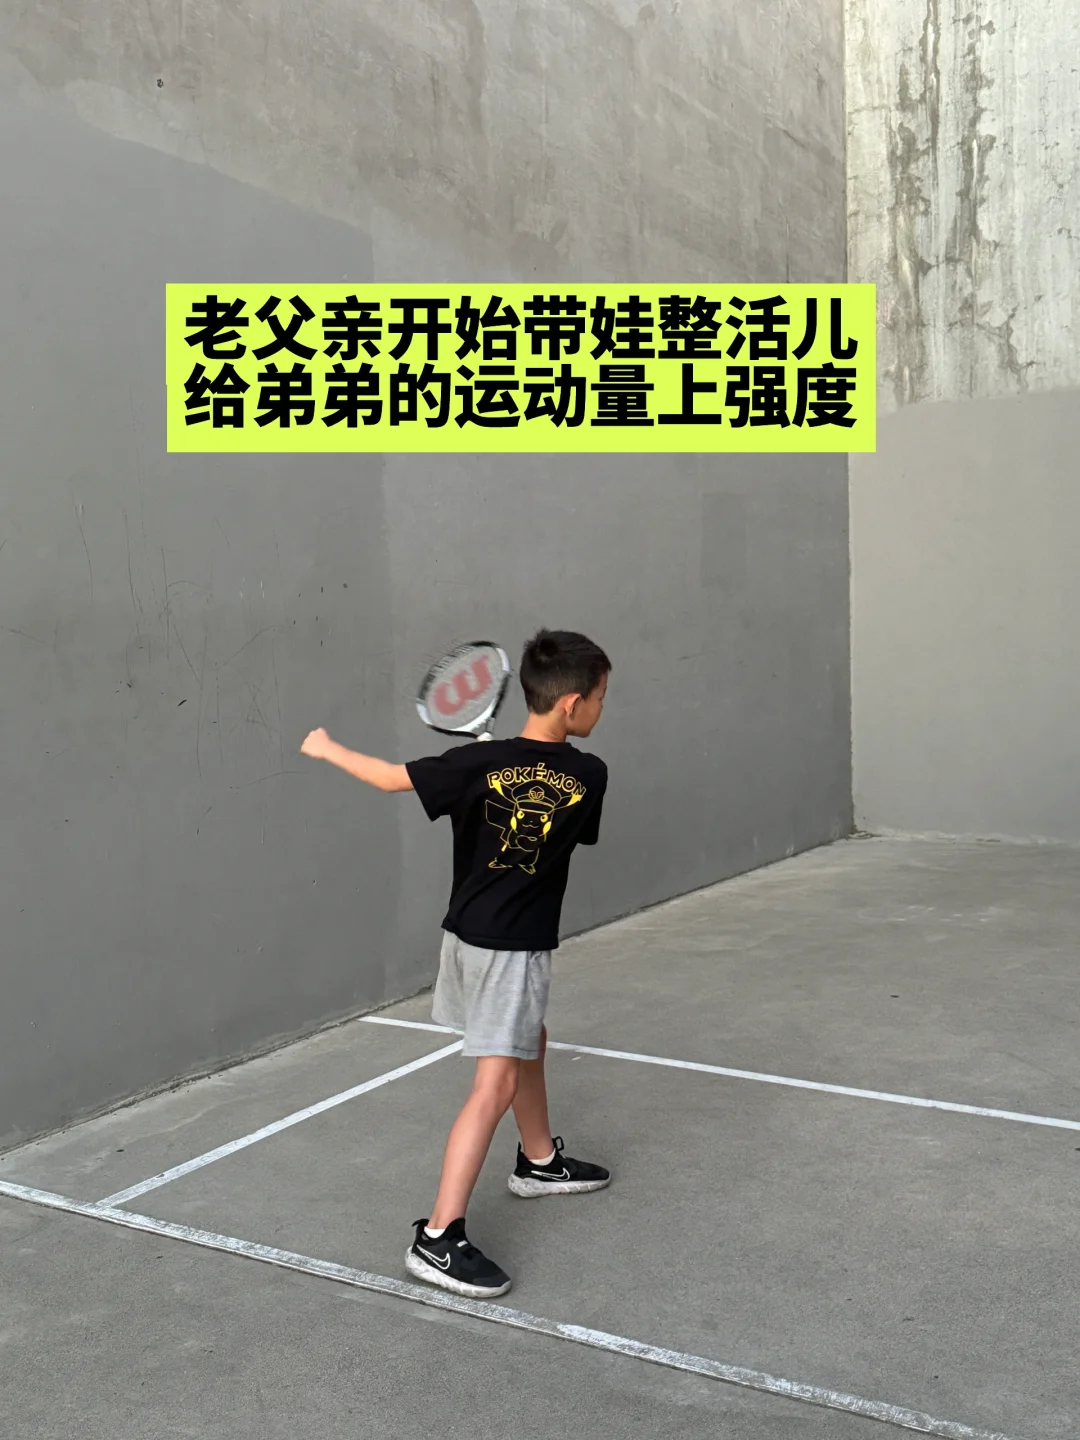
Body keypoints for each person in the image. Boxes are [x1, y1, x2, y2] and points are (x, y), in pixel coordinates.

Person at [300, 629, 612, 1298]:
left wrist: (326, 747)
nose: (600, 710)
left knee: (529, 1040)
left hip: (466, 939)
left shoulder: (476, 763)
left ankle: (538, 1161)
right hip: (513, 949)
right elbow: (563, 832)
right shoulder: (589, 774)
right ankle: (439, 1237)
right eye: (600, 699)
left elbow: (390, 779)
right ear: (572, 704)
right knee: (494, 1082)